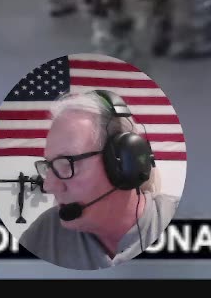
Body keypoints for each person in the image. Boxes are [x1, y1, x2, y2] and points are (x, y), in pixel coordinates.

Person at [20, 90, 177, 270]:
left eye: (67, 164)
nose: (48, 186)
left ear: (124, 163)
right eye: (49, 166)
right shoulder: (42, 237)